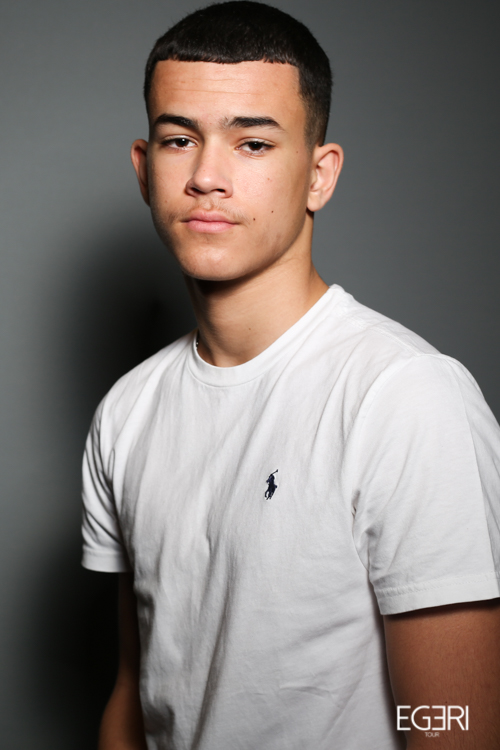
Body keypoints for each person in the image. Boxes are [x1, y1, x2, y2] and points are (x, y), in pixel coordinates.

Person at [81, 2, 500, 748]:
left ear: (318, 174)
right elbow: (134, 693)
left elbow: (457, 727)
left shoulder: (405, 398)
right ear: (145, 170)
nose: (207, 177)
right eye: (180, 139)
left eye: (253, 143)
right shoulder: (126, 411)